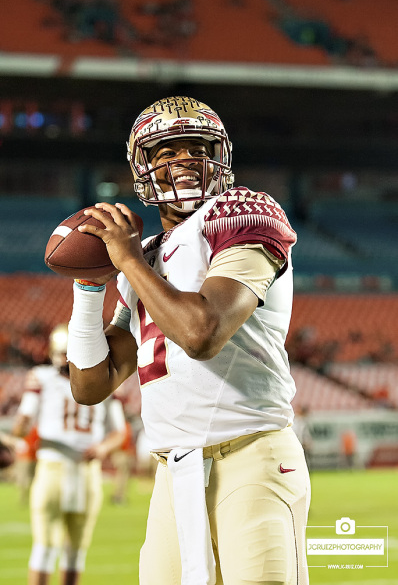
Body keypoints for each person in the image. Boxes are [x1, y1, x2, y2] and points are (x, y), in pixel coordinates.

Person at [67, 96, 311, 585]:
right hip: (172, 474)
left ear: (218, 155)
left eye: (194, 147)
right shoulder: (147, 257)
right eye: (166, 152)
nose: (181, 161)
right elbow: (90, 385)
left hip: (251, 458)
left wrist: (127, 261)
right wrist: (89, 287)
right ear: (144, 169)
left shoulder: (244, 212)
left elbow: (202, 333)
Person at [12, 323, 126, 585]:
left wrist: (17, 436)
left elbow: (23, 423)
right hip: (86, 473)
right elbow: (119, 433)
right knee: (74, 552)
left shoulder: (41, 377)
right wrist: (101, 448)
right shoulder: (105, 379)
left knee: (46, 549)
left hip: (54, 469)